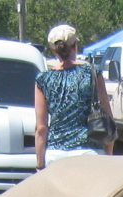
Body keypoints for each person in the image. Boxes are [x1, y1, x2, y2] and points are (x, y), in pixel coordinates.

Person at [35, 25, 115, 170]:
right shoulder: (91, 73)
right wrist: (107, 153)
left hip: (55, 154)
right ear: (75, 46)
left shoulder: (43, 79)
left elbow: (41, 128)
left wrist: (39, 164)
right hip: (89, 151)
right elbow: (107, 116)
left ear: (53, 50)